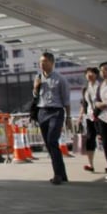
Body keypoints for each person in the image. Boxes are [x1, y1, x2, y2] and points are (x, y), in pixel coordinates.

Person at [32, 52, 71, 185]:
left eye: (45, 61)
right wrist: (36, 86)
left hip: (56, 112)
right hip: (42, 112)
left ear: (52, 62)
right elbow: (35, 95)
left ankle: (58, 175)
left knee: (52, 141)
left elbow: (66, 100)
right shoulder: (38, 77)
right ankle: (62, 174)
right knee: (49, 145)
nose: (42, 64)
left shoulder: (61, 79)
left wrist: (69, 117)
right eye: (41, 61)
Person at [77, 67, 100, 173]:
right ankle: (91, 164)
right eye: (87, 73)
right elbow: (84, 104)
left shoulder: (100, 87)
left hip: (101, 117)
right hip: (89, 117)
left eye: (92, 73)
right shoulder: (85, 89)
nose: (89, 75)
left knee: (105, 140)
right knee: (90, 140)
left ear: (96, 75)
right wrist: (80, 116)